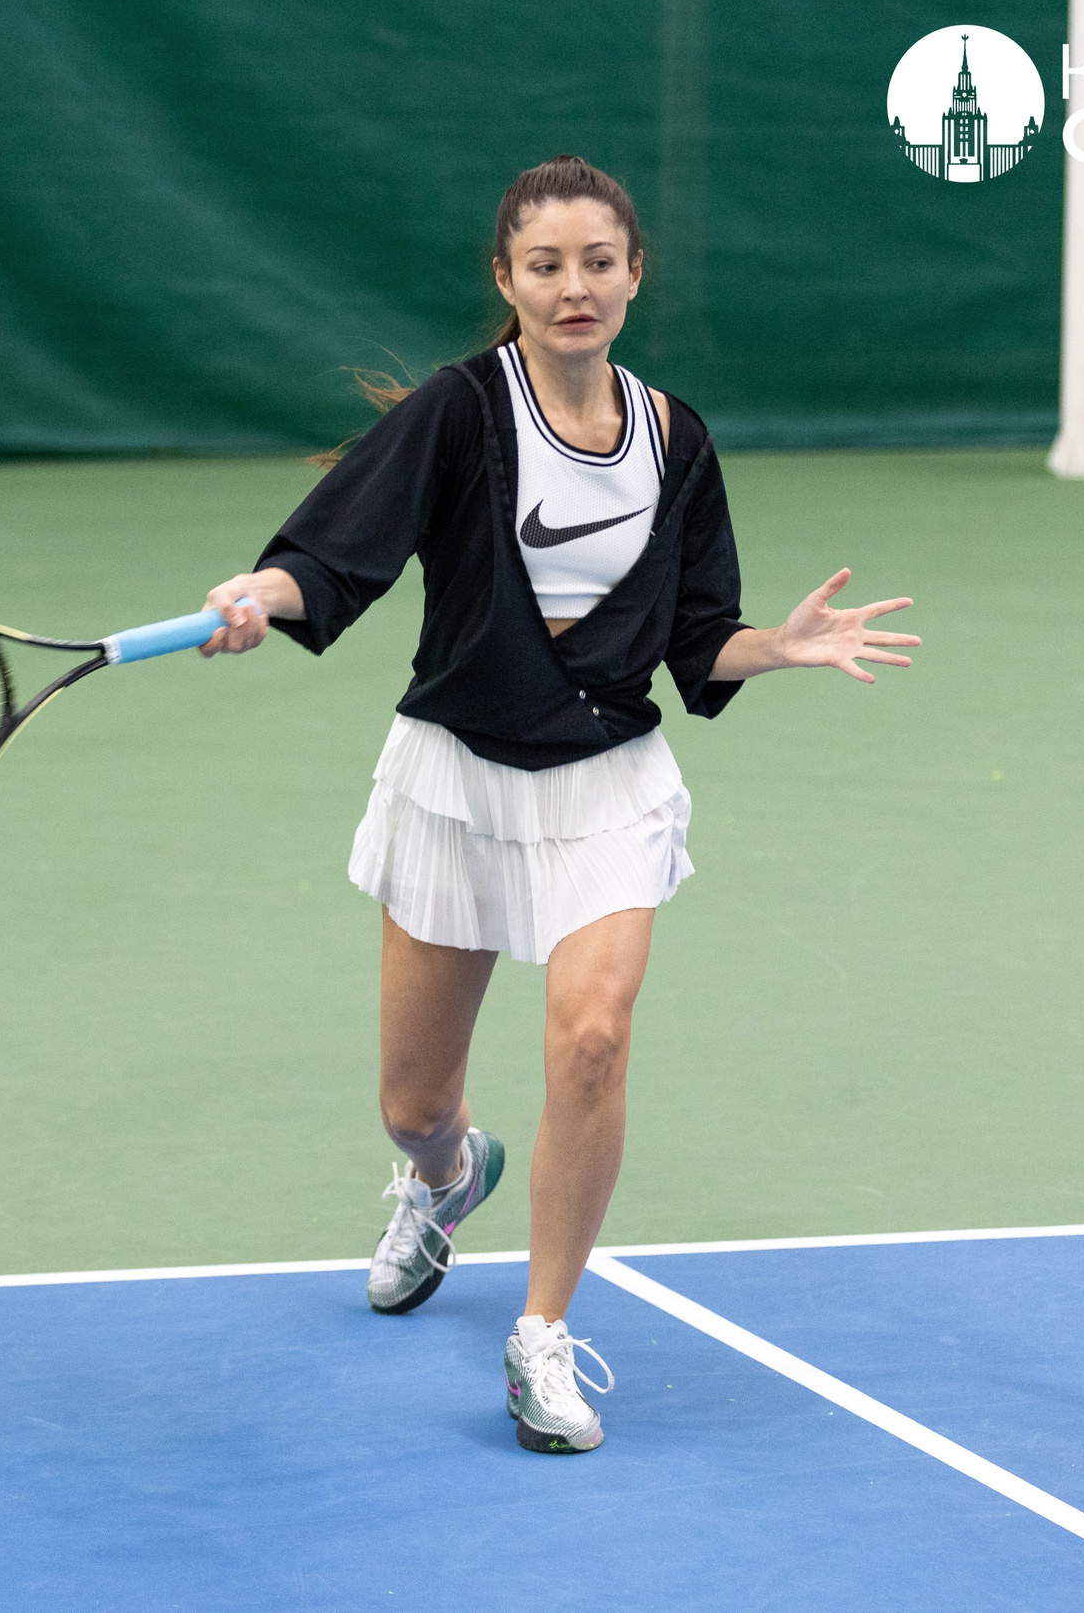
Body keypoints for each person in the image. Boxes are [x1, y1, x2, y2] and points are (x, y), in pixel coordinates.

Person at [195, 156, 919, 1453]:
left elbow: (697, 641)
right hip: (459, 777)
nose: (574, 286)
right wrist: (260, 597)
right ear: (506, 282)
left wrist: (777, 646)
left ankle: (540, 1335)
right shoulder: (460, 415)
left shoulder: (676, 438)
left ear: (635, 275)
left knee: (593, 1037)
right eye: (546, 265)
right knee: (415, 1100)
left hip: (607, 784)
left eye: (599, 262)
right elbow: (334, 550)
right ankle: (441, 1177)